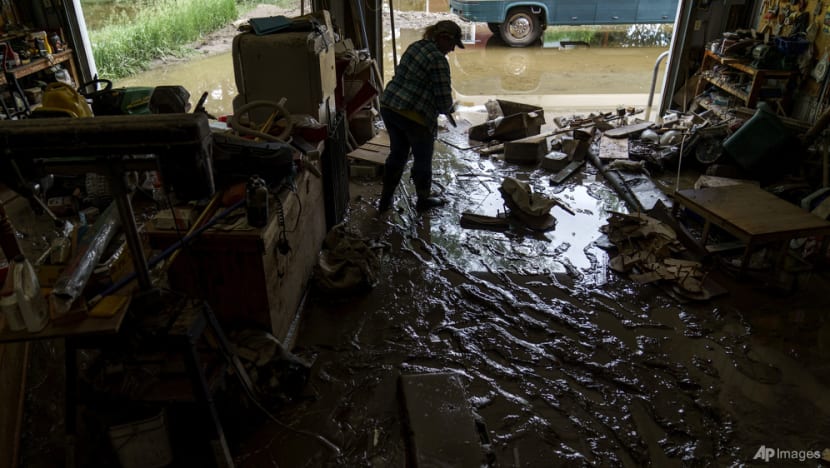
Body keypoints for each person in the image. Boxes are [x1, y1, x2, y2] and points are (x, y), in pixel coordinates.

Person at [377, 20, 464, 212]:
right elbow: (443, 103)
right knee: (422, 159)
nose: (452, 50)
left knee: (397, 154)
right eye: (452, 44)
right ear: (443, 38)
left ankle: (385, 200)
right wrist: (451, 107)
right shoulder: (438, 59)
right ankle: (423, 199)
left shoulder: (415, 46)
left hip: (390, 106)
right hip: (414, 117)